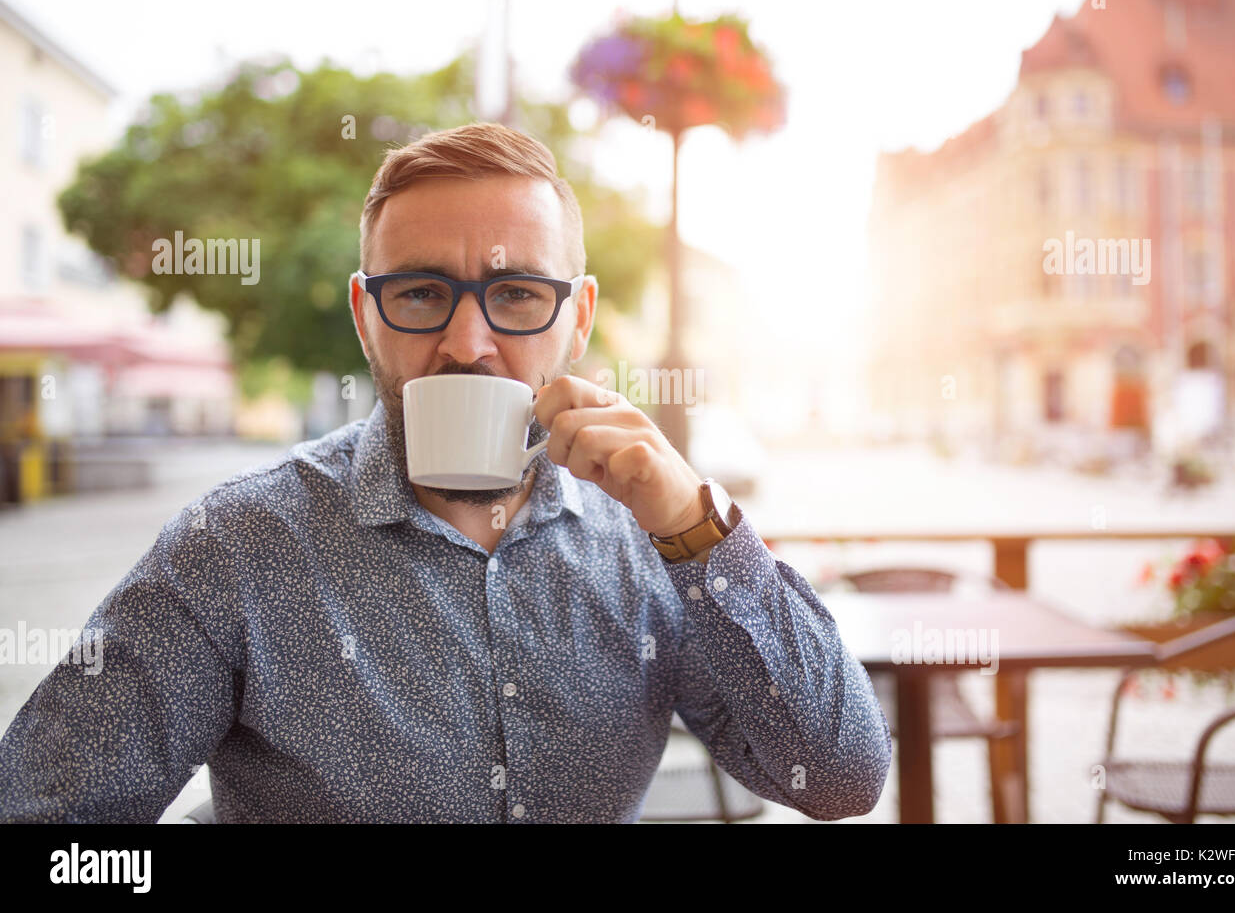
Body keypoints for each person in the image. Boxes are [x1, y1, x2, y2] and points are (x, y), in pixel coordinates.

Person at [0, 122, 891, 822]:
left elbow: (843, 778)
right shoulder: (235, 549)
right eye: (421, 294)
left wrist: (697, 525)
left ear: (577, 319)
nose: (468, 344)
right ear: (365, 313)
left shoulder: (658, 544)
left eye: (516, 295)